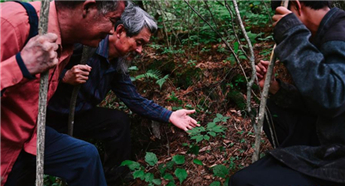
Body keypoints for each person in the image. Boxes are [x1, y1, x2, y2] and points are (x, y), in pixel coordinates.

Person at [46, 4, 199, 185]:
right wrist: (64, 76)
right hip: (49, 119)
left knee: (117, 122)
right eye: (138, 42)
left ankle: (114, 179)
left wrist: (170, 115)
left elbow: (133, 99)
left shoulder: (116, 64)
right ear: (120, 31)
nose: (140, 50)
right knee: (85, 153)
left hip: (79, 117)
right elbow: (39, 74)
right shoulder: (84, 46)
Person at [0, 1, 126, 185]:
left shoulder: (65, 44)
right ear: (88, 8)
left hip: (26, 137)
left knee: (85, 157)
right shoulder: (13, 22)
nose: (112, 31)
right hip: (5, 142)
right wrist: (21, 65)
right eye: (112, 20)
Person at [229, 1, 345, 185]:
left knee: (243, 181)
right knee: (272, 116)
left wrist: (292, 35)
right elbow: (321, 100)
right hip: (331, 141)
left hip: (338, 157)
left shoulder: (340, 32)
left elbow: (333, 97)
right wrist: (277, 88)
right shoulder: (328, 31)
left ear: (297, 6)